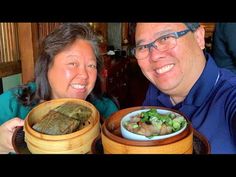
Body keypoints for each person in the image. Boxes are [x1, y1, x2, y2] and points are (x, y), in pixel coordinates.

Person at [0, 23, 118, 154]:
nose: (85, 75)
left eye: (91, 66)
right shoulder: (10, 104)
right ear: (47, 65)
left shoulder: (107, 110)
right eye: (72, 63)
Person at [132, 23, 236, 154]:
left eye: (165, 38)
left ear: (198, 37)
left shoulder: (230, 97)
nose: (154, 56)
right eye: (142, 47)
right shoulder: (155, 91)